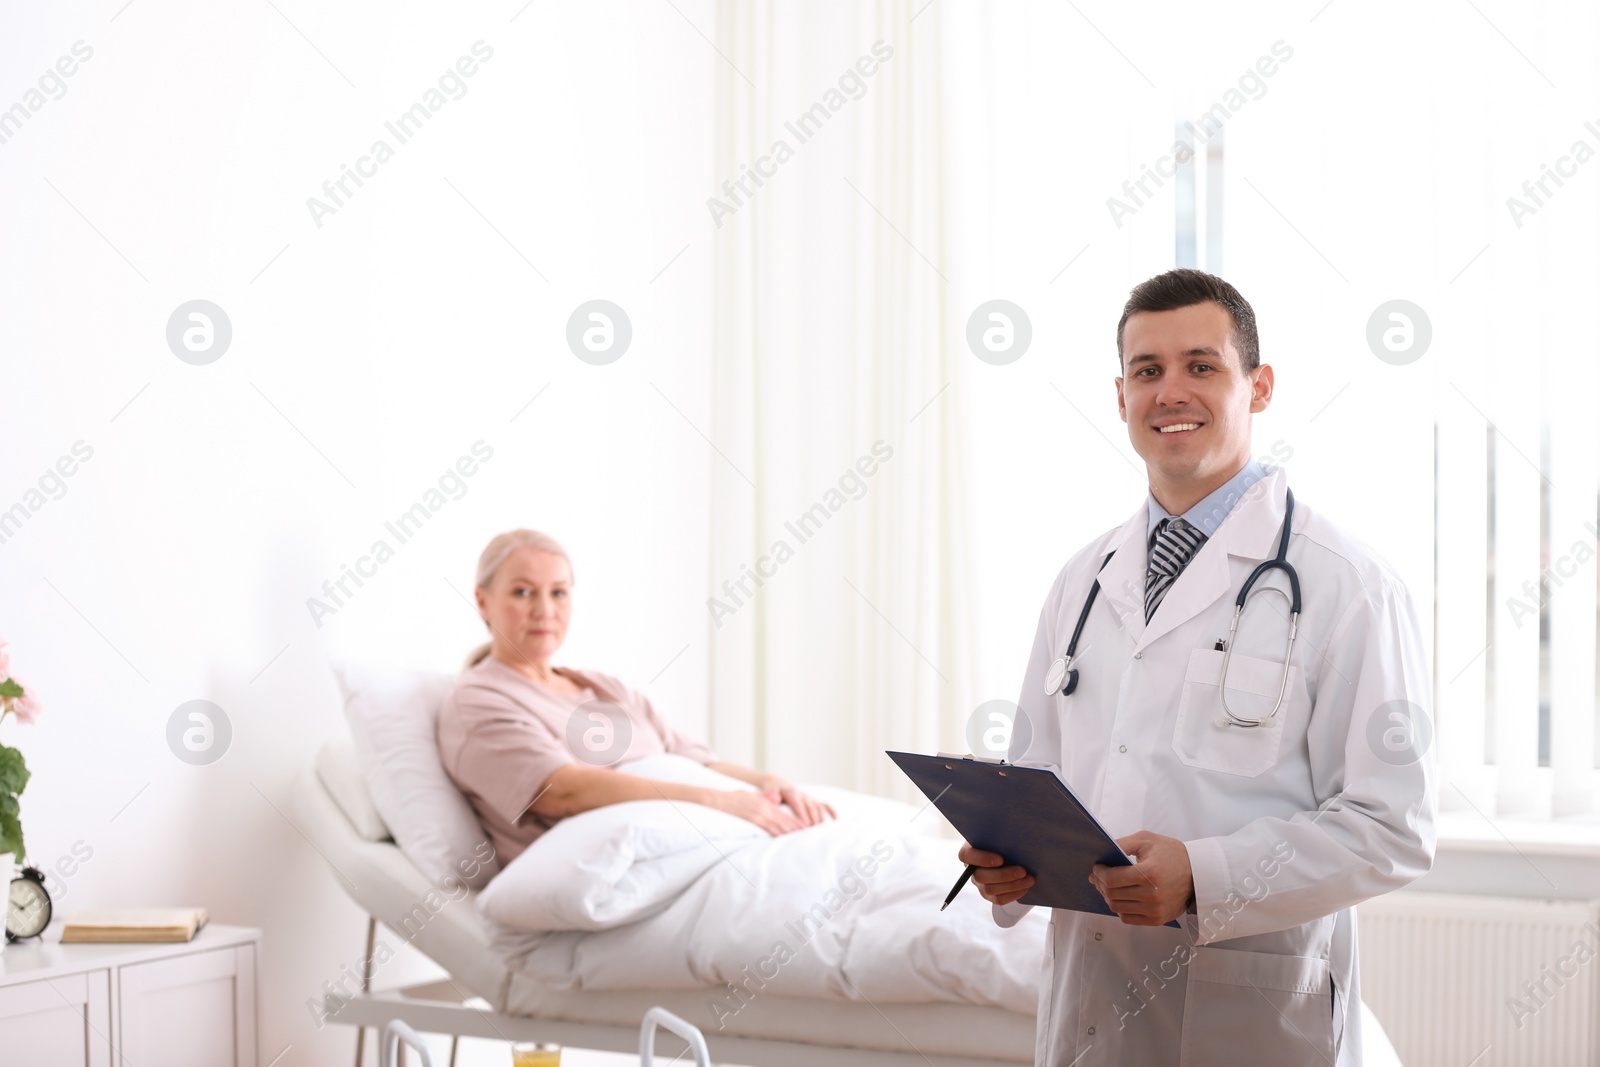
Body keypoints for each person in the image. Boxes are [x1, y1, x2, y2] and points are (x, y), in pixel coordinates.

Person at [958, 269, 1436, 1066]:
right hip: (1091, 1003)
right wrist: (1010, 861)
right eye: (1148, 370)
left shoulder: (1348, 584)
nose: (1170, 390)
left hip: (1245, 1015)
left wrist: (1204, 875)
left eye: (1201, 365)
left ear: (1261, 385)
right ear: (1120, 397)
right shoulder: (1082, 579)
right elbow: (1034, 772)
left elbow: (1395, 827)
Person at [439, 529, 835, 866]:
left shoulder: (604, 688)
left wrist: (770, 782)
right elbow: (562, 791)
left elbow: (700, 761)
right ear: (483, 601)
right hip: (626, 862)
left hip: (710, 836)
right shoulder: (478, 701)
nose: (544, 610)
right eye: (523, 592)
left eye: (558, 593)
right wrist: (720, 803)